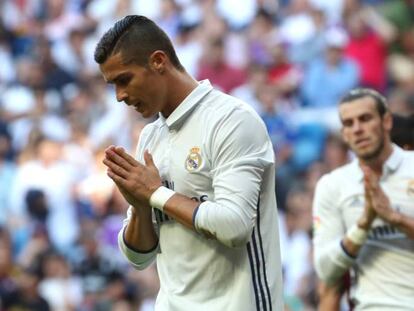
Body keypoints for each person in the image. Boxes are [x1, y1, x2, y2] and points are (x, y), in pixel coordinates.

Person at [94, 15, 283, 311]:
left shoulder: (231, 120)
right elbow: (139, 257)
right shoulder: (149, 138)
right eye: (112, 85)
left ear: (158, 61)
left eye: (124, 79)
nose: (120, 96)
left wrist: (156, 194)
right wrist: (142, 206)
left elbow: (234, 226)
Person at [312, 88, 414, 310]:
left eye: (365, 119)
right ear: (343, 133)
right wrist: (363, 225)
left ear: (386, 121)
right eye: (349, 124)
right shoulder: (333, 185)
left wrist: (395, 218)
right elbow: (325, 269)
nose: (357, 129)